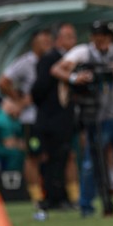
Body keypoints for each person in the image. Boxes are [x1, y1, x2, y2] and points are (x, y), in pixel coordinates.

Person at [51, 21, 113, 217]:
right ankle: (87, 206)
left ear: (110, 37)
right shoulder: (83, 52)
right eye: (96, 36)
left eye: (103, 36)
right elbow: (57, 69)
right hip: (95, 117)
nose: (99, 40)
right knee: (90, 164)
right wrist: (75, 78)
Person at [0, 29, 53, 208]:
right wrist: (18, 100)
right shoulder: (25, 62)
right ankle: (36, 198)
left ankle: (55, 195)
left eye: (48, 41)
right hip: (31, 118)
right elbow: (3, 82)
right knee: (33, 157)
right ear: (34, 42)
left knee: (54, 156)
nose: (47, 44)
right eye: (43, 41)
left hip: (51, 117)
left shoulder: (52, 61)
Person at [31, 23, 78, 213]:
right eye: (68, 36)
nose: (72, 41)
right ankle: (53, 198)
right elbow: (38, 89)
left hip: (62, 118)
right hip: (52, 119)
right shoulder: (51, 58)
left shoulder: (68, 59)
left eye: (73, 37)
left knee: (63, 156)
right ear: (58, 39)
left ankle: (60, 196)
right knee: (53, 158)